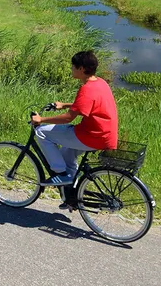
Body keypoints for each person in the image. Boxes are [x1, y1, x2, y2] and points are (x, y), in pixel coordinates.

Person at [31, 51, 118, 206]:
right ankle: (72, 195)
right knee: (66, 154)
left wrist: (41, 119)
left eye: (73, 66)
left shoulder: (87, 89)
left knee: (42, 132)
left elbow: (69, 118)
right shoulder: (100, 83)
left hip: (91, 136)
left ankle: (61, 174)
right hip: (105, 135)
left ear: (82, 68)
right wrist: (64, 104)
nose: (71, 68)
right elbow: (87, 105)